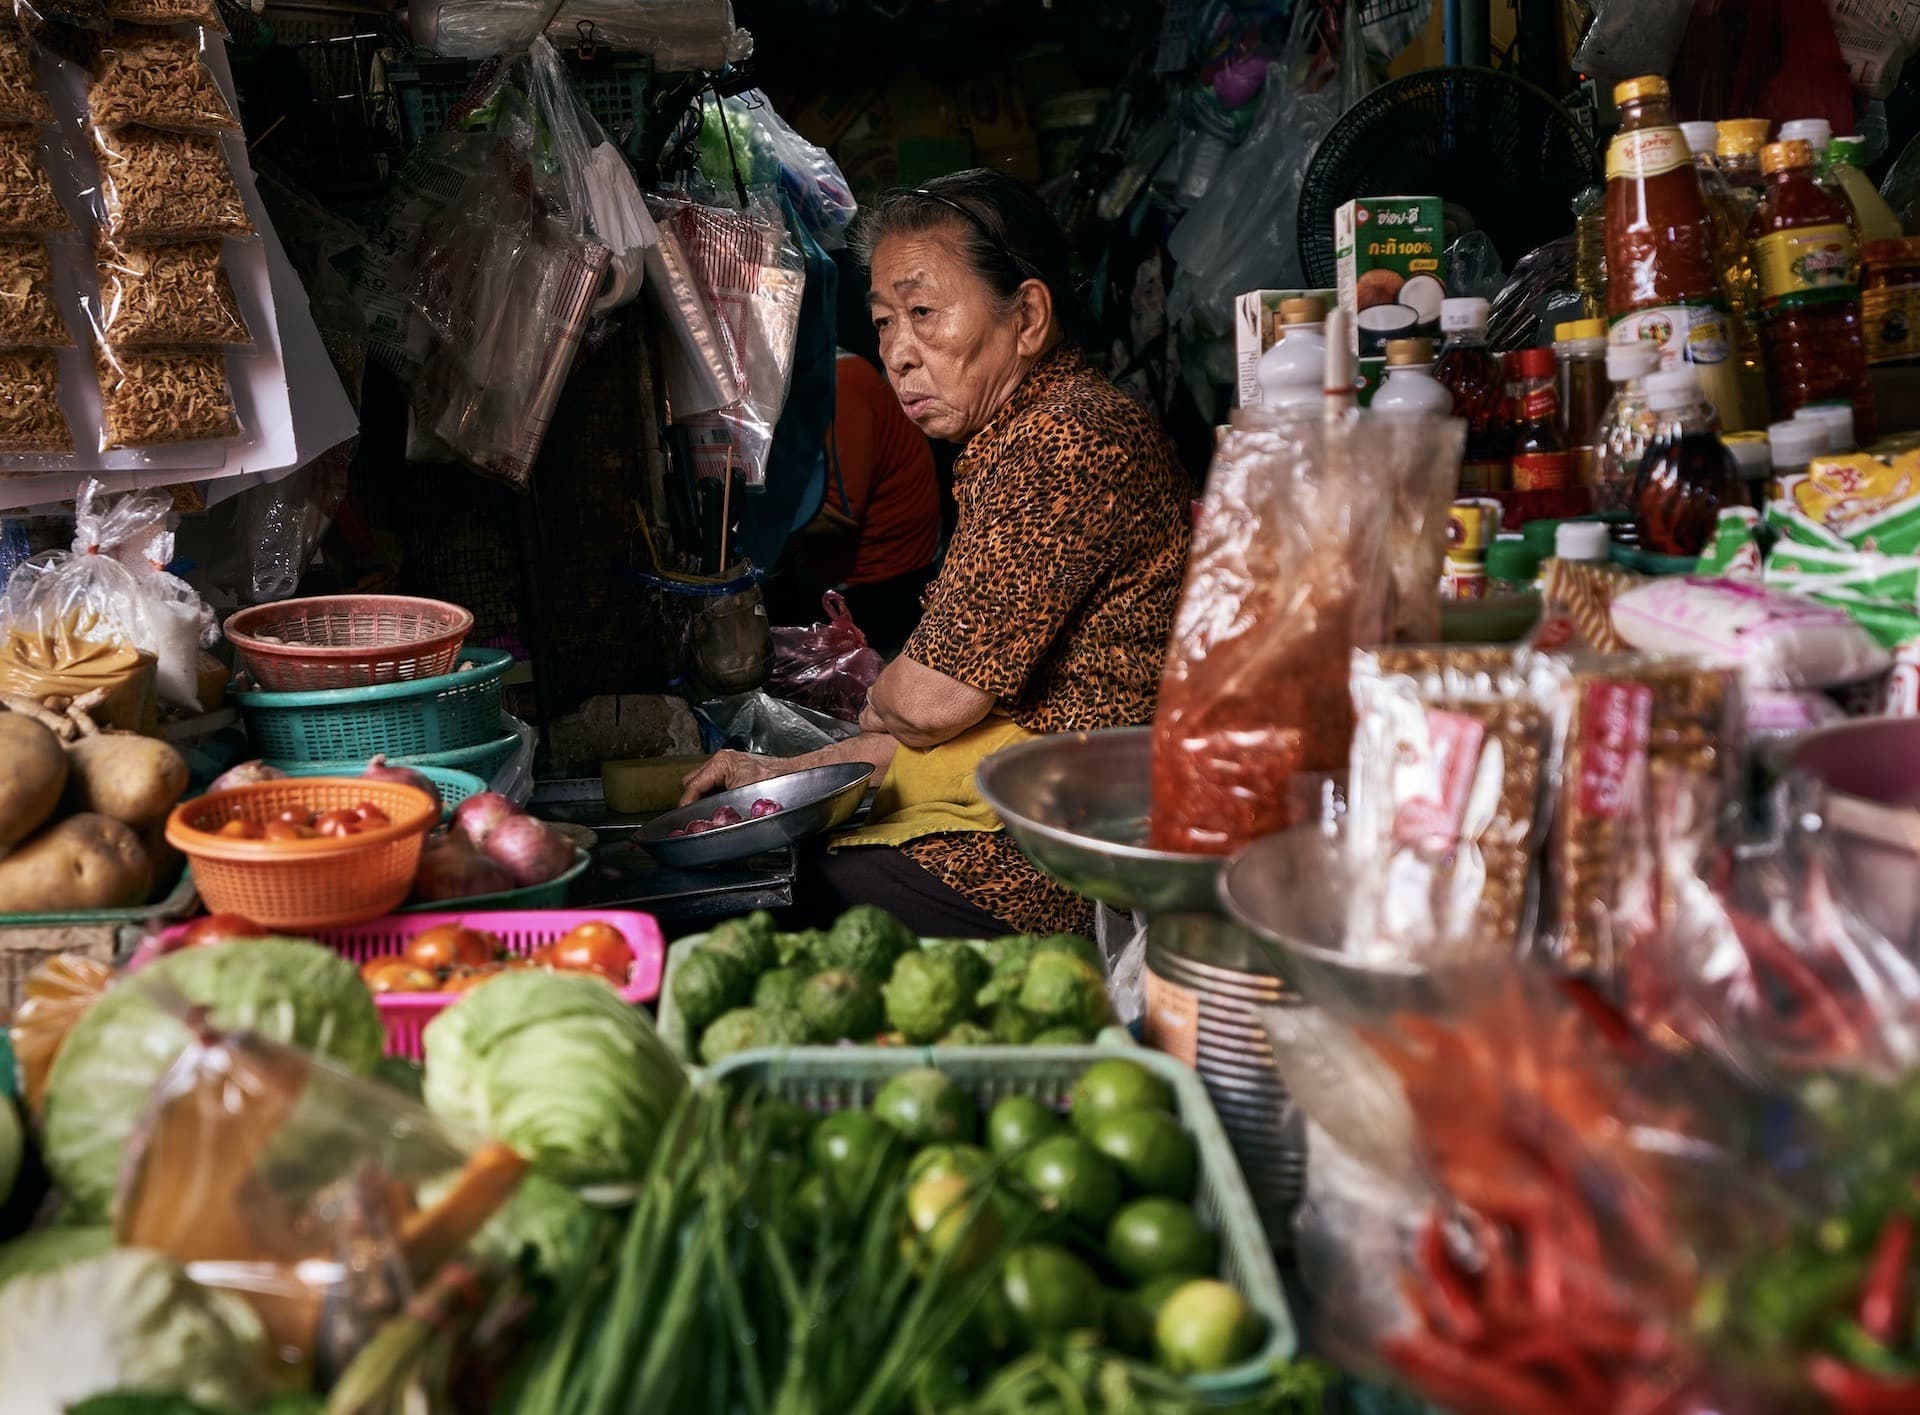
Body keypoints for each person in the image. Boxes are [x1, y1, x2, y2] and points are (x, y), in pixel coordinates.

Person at [682, 169, 1192, 938]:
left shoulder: (1066, 437)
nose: (900, 353)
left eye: (924, 312)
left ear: (1026, 317)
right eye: (885, 321)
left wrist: (885, 695)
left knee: (791, 903)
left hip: (1057, 863)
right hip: (1027, 814)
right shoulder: (1022, 434)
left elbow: (928, 706)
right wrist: (777, 774)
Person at [781, 350, 941, 658]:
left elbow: (837, 517)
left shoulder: (842, 382)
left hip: (887, 580)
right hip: (855, 568)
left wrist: (757, 518)